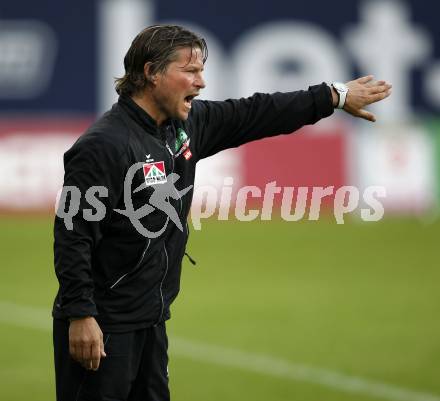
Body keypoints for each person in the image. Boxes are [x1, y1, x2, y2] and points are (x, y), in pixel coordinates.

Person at [52, 24, 391, 401]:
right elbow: (73, 235)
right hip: (103, 326)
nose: (201, 83)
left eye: (202, 71)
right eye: (190, 71)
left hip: (151, 320)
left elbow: (257, 112)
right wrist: (81, 314)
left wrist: (333, 96)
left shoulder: (183, 127)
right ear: (151, 72)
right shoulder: (103, 145)